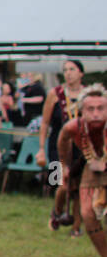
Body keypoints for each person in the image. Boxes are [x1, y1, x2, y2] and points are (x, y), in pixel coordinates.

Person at [56, 85, 107, 257]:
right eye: (90, 109)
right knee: (87, 213)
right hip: (91, 167)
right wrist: (63, 165)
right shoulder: (73, 127)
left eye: (100, 109)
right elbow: (62, 140)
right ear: (81, 111)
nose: (95, 114)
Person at [38, 59, 86, 232]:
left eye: (72, 69)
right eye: (65, 70)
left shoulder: (88, 95)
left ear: (81, 73)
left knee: (80, 187)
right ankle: (56, 212)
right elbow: (44, 123)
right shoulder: (55, 94)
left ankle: (76, 226)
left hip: (81, 148)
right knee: (62, 185)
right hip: (57, 147)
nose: (68, 73)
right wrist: (41, 149)